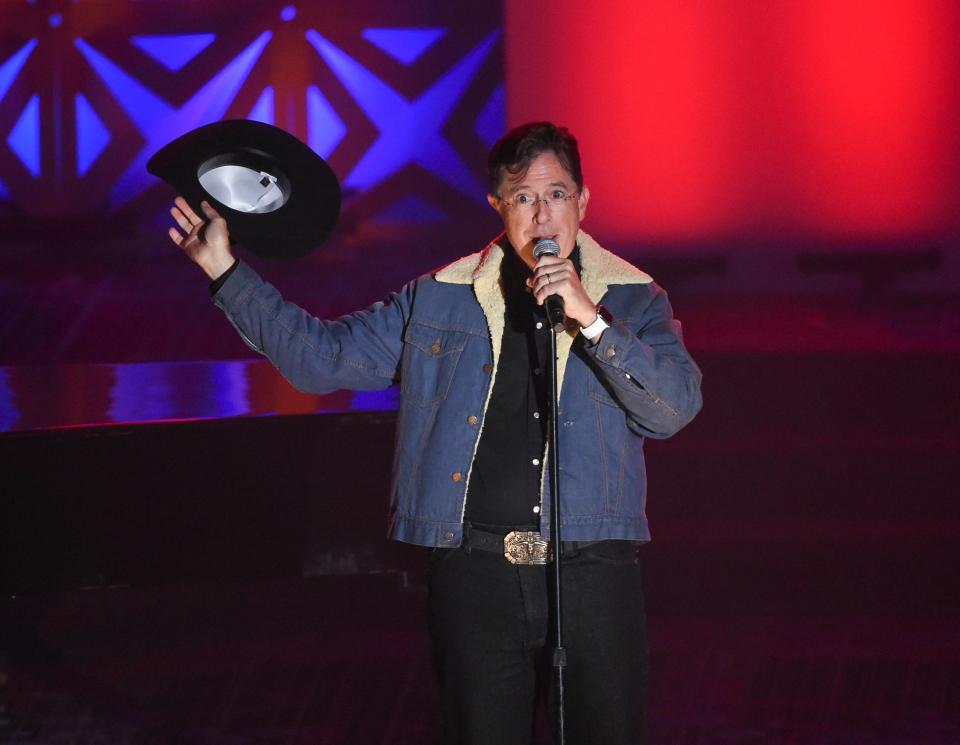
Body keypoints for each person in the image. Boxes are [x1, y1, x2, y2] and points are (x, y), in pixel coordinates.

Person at [167, 122, 702, 745]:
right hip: (476, 578)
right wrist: (226, 271)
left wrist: (589, 319)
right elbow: (323, 358)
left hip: (593, 574)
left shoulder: (634, 300)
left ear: (583, 201)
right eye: (523, 197)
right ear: (498, 207)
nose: (543, 214)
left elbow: (673, 408)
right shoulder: (440, 298)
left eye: (556, 194)